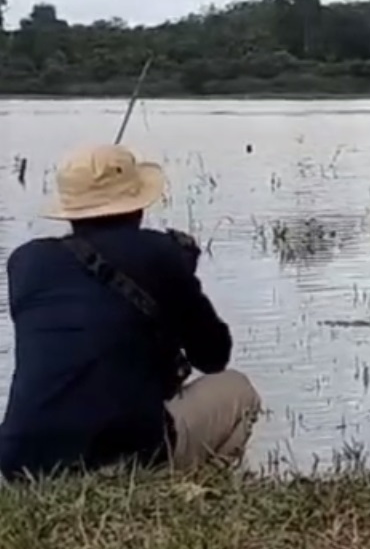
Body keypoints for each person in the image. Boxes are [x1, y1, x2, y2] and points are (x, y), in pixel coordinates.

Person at [0, 143, 261, 481]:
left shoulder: (24, 261)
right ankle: (180, 490)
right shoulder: (161, 254)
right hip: (122, 458)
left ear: (69, 209)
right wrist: (180, 276)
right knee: (239, 390)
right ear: (138, 204)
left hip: (20, 465)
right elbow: (213, 356)